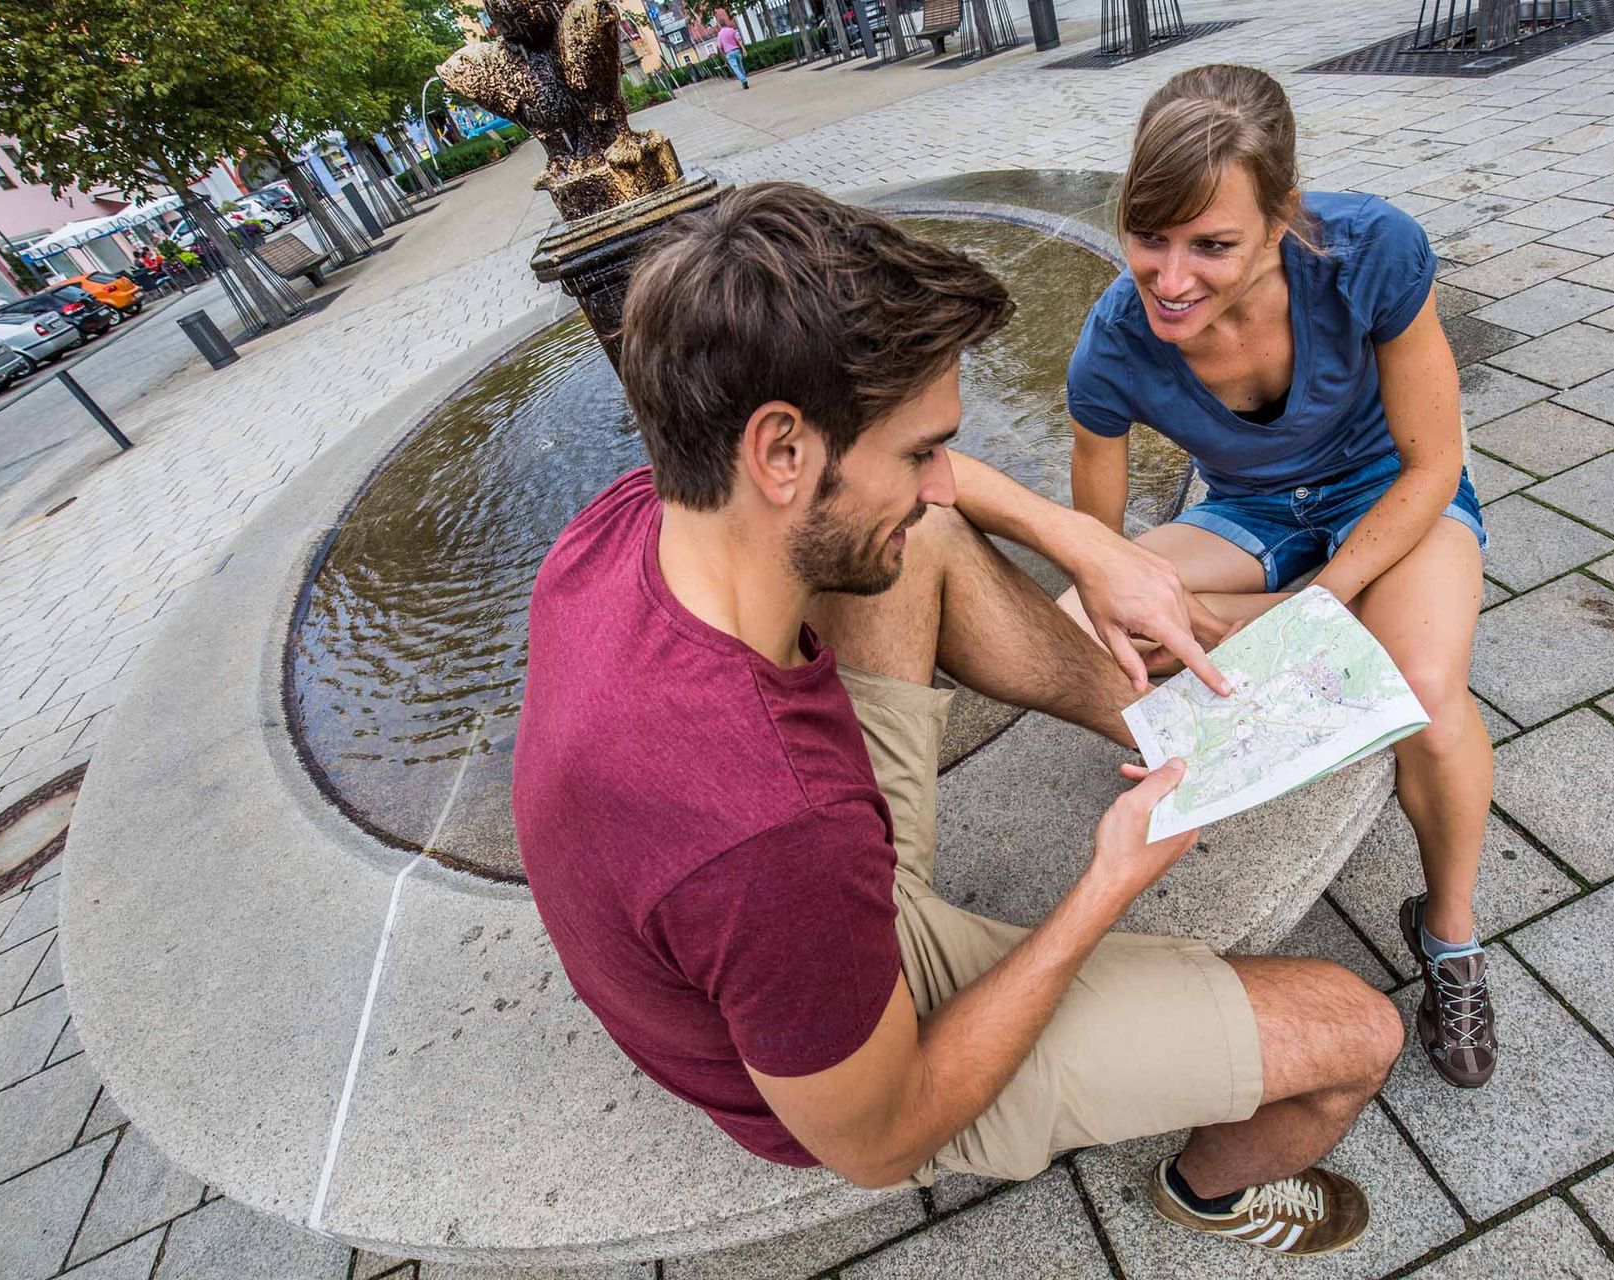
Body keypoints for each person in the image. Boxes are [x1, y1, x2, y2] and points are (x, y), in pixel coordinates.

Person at [514, 182, 1403, 1257]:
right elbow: (882, 1137)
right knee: (1359, 1033)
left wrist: (1088, 543)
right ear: (782, 450)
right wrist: (1104, 886)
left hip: (794, 910)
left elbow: (927, 508)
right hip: (863, 1063)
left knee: (911, 539)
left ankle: (1179, 727)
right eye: (921, 448)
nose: (945, 477)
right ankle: (1207, 1189)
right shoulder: (769, 834)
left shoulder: (630, 521)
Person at [1061, 65, 1496, 1089]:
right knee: (1077, 621)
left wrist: (1329, 593)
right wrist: (1138, 660)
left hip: (1388, 491)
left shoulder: (1369, 252)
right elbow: (1098, 555)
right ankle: (1259, 625)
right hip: (1253, 514)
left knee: (1426, 695)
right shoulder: (1113, 343)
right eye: (1148, 236)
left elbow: (1434, 460)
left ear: (1281, 218)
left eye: (1211, 244)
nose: (1168, 277)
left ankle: (1450, 931)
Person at [715, 16, 749, 89]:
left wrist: (723, 55)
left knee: (735, 68)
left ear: (720, 25)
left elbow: (720, 47)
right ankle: (744, 79)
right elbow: (739, 40)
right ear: (725, 23)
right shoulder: (732, 30)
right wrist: (744, 49)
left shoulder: (720, 34)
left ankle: (743, 80)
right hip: (737, 50)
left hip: (729, 53)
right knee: (740, 66)